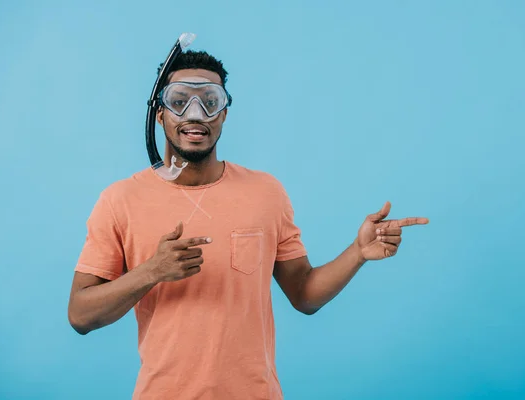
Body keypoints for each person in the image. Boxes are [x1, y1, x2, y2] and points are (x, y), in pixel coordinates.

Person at [67, 47, 429, 400]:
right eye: (179, 101)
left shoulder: (265, 192)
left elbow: (304, 294)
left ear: (224, 114)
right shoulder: (120, 200)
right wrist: (151, 272)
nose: (196, 114)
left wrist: (357, 253)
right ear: (160, 114)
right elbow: (81, 315)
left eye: (210, 101)